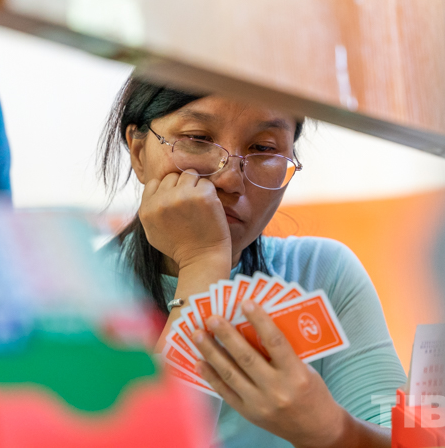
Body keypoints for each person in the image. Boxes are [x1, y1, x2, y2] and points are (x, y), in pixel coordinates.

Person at [100, 76, 406, 448]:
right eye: (198, 138)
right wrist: (203, 264)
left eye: (263, 147)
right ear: (138, 152)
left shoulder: (323, 274)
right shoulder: (71, 299)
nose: (229, 178)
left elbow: (403, 439)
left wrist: (333, 430)